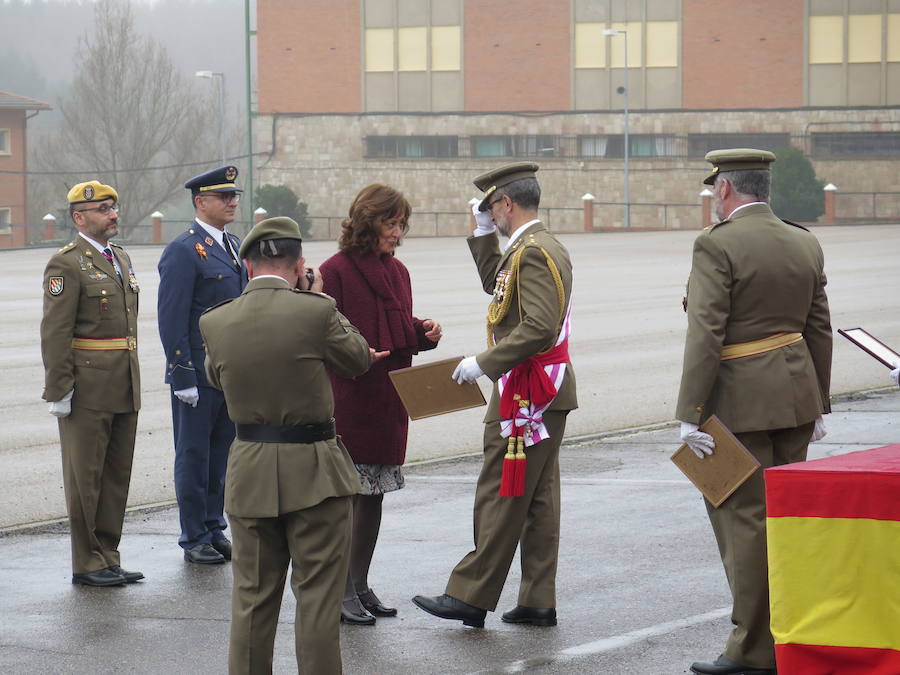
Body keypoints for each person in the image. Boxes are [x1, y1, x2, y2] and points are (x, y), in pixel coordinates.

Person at [676, 149, 832, 675]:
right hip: (795, 397)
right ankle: (791, 636)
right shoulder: (803, 240)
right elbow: (818, 328)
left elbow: (706, 334)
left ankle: (751, 650)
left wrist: (691, 412)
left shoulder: (716, 244)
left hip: (738, 405)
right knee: (787, 524)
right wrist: (819, 401)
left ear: (724, 190)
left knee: (743, 524)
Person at [199, 216, 372, 674]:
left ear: (249, 267)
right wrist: (318, 297)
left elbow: (215, 377)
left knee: (253, 598)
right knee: (317, 597)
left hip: (251, 467)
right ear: (299, 265)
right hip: (315, 468)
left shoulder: (216, 321)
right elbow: (356, 359)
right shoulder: (315, 310)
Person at [413, 162, 576, 628]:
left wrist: (484, 363)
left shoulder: (533, 252)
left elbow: (539, 326)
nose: (491, 215)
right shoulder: (533, 247)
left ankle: (470, 594)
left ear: (506, 202)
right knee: (539, 498)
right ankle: (536, 598)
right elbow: (500, 290)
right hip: (542, 390)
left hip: (529, 390)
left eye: (491, 209)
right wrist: (483, 236)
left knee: (499, 493)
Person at [319, 184, 442, 625]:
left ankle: (361, 582)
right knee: (350, 497)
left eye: (403, 223)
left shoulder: (399, 271)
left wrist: (422, 331)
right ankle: (340, 590)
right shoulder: (332, 271)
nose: (398, 231)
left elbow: (395, 328)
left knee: (375, 498)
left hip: (390, 399)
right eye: (392, 223)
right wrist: (355, 355)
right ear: (368, 221)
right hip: (351, 401)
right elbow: (324, 333)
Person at [40, 180, 143, 587]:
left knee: (116, 475)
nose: (112, 214)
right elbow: (55, 331)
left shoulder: (119, 256)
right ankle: (86, 561)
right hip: (87, 385)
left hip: (123, 380)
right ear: (79, 217)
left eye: (114, 207)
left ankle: (108, 555)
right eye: (103, 209)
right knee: (86, 477)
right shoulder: (66, 264)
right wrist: (59, 389)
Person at [157, 165, 247, 564]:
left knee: (221, 457)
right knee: (193, 457)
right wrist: (182, 375)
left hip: (228, 373)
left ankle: (213, 527)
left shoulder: (233, 246)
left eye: (234, 195)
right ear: (200, 202)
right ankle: (193, 536)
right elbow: (172, 317)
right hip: (197, 372)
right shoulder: (182, 249)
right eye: (223, 196)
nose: (232, 202)